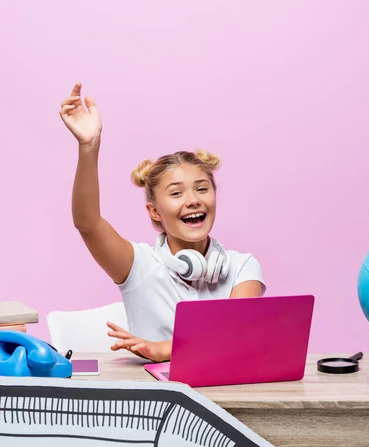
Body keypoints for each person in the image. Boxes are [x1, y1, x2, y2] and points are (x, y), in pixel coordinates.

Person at [59, 82, 266, 362]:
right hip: (154, 398)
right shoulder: (139, 266)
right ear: (154, 211)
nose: (193, 200)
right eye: (177, 193)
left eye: (202, 188)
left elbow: (234, 335)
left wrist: (163, 349)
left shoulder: (243, 267)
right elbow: (87, 223)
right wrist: (89, 146)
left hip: (228, 394)